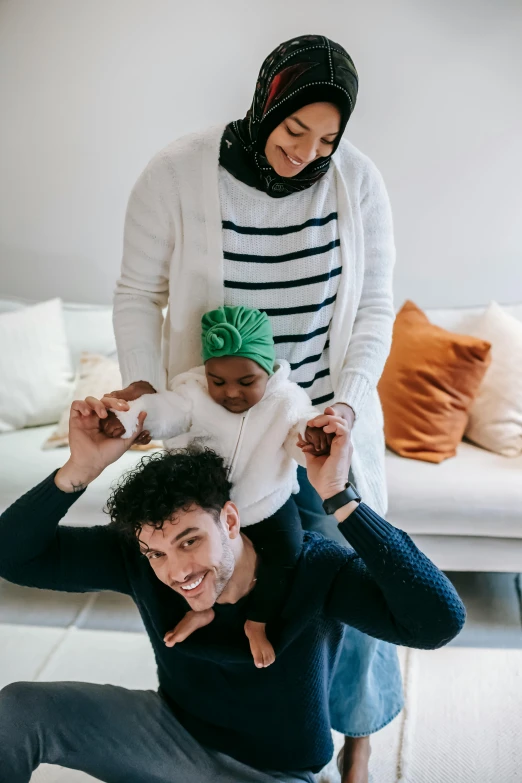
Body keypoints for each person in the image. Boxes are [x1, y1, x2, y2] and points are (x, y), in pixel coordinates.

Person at [109, 33, 399, 781]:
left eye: (327, 138)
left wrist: (347, 408)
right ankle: (254, 742)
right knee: (246, 590)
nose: (306, 152)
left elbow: (373, 309)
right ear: (266, 99)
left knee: (360, 582)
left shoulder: (358, 183)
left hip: (321, 429)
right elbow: (138, 294)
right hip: (220, 426)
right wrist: (143, 388)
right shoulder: (178, 172)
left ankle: (360, 740)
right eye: (294, 128)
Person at [0, 394, 465, 783]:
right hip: (172, 737)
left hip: (278, 773)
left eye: (190, 541)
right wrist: (75, 474)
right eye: (157, 552)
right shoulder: (139, 559)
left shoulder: (315, 567)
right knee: (19, 709)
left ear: (229, 519)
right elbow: (12, 555)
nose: (177, 570)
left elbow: (438, 622)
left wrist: (341, 497)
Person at [109, 304, 328, 668]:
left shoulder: (286, 400)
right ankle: (199, 610)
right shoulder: (192, 393)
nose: (230, 393)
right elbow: (168, 411)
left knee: (287, 554)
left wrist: (314, 437)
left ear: (267, 372)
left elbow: (298, 435)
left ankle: (256, 623)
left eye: (246, 382)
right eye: (218, 380)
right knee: (181, 556)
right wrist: (134, 418)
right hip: (205, 508)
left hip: (263, 503)